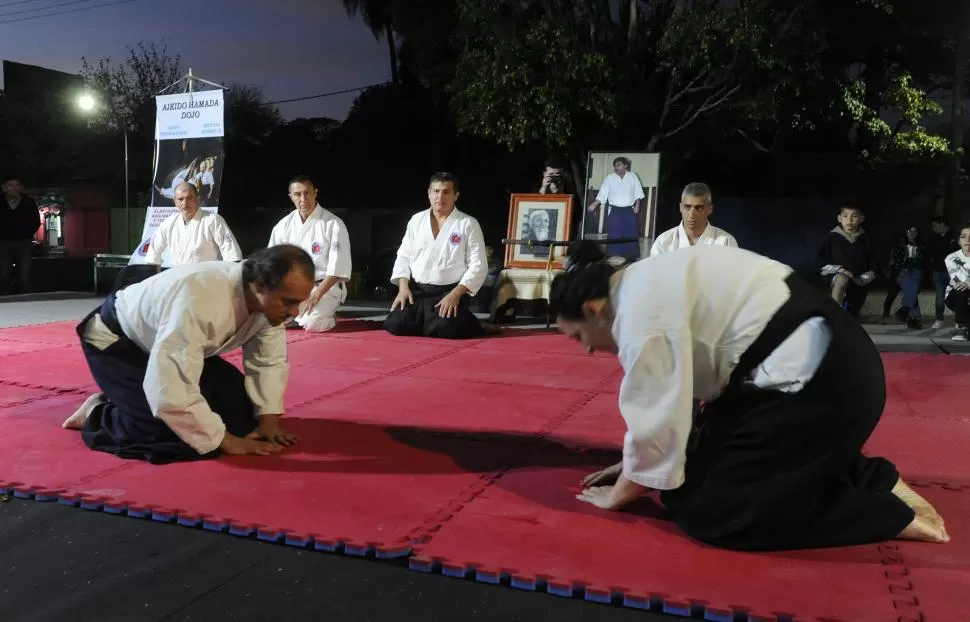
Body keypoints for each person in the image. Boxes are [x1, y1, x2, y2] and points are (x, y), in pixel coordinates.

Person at [550, 240, 948, 551]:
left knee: (708, 509)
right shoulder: (640, 281)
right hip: (825, 365)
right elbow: (675, 405)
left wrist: (620, 495)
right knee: (694, 465)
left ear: (594, 308)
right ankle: (869, 475)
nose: (585, 349)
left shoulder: (638, 317)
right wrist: (634, 464)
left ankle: (887, 516)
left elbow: (657, 415)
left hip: (824, 385)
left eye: (578, 335)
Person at [62, 245, 314, 464]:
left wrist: (268, 421)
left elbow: (268, 361)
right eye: (288, 302)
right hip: (116, 342)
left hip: (169, 345)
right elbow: (168, 391)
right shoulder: (202, 298)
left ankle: (130, 396)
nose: (295, 311)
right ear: (259, 285)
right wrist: (226, 442)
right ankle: (99, 412)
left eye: (298, 302)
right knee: (178, 436)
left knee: (243, 422)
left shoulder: (267, 303)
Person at [385, 172, 494, 339]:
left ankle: (469, 321)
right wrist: (403, 287)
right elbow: (403, 256)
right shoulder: (416, 220)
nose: (440, 197)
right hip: (417, 292)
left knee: (445, 328)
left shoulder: (467, 224)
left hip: (447, 292)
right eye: (436, 191)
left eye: (446, 192)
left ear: (456, 195)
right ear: (429, 193)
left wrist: (456, 294)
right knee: (396, 323)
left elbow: (478, 265)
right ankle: (426, 320)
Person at [268, 175, 352, 333]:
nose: (303, 198)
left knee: (312, 323)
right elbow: (273, 266)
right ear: (291, 197)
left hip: (323, 288)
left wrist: (314, 296)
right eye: (297, 194)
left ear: (315, 193)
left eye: (307, 193)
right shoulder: (282, 227)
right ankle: (294, 314)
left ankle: (328, 317)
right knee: (263, 318)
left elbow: (337, 267)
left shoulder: (333, 224)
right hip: (292, 289)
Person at [143, 182, 242, 267]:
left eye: (189, 198)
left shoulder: (213, 220)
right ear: (175, 201)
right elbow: (153, 251)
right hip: (178, 280)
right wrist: (153, 274)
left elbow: (231, 254)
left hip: (208, 280)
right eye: (180, 199)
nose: (185, 203)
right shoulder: (168, 223)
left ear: (198, 199)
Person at [817, 202, 876, 318]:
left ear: (861, 218)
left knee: (851, 315)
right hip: (834, 278)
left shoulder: (866, 240)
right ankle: (832, 316)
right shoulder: (831, 237)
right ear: (839, 218)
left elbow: (873, 264)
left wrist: (862, 279)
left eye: (854, 216)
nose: (849, 219)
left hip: (858, 280)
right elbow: (820, 261)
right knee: (842, 280)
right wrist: (841, 270)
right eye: (846, 216)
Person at [650, 182, 737, 255]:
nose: (692, 214)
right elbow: (654, 274)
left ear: (710, 209)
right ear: (680, 207)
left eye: (699, 208)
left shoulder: (726, 242)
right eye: (687, 207)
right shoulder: (663, 242)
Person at [586, 157, 644, 262]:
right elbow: (603, 194)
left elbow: (637, 192)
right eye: (615, 165)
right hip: (615, 211)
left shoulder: (632, 177)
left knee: (630, 233)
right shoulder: (610, 178)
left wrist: (637, 205)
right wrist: (595, 204)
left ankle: (631, 256)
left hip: (629, 211)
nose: (616, 167)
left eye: (619, 165)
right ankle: (614, 255)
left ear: (625, 166)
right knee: (615, 233)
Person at [0, 178, 39, 295]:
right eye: (10, 185)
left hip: (24, 242)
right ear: (4, 187)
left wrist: (27, 234)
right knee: (4, 272)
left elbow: (35, 221)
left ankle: (25, 298)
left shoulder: (28, 202)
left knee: (24, 273)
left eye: (17, 185)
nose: (14, 188)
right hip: (3, 243)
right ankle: (4, 298)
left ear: (21, 187)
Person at [928, 217, 959, 329]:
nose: (933, 228)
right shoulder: (934, 238)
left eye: (935, 226)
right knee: (939, 296)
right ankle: (939, 319)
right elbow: (930, 252)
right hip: (939, 271)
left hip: (953, 272)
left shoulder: (955, 236)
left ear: (942, 224)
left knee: (956, 296)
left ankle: (959, 320)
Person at [944, 224, 970, 342]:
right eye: (964, 237)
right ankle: (961, 327)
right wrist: (967, 284)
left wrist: (968, 284)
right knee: (960, 288)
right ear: (959, 241)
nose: (968, 240)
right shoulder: (951, 257)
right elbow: (957, 280)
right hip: (954, 297)